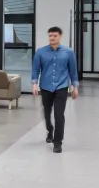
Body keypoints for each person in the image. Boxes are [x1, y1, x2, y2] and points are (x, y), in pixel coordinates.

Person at [32, 26, 78, 154]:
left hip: (61, 87)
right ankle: (49, 129)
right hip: (45, 87)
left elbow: (73, 70)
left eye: (55, 36)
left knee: (59, 114)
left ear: (60, 36)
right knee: (47, 113)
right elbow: (36, 69)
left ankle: (58, 142)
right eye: (50, 36)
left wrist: (75, 87)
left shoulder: (68, 52)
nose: (52, 38)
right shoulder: (40, 52)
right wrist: (34, 84)